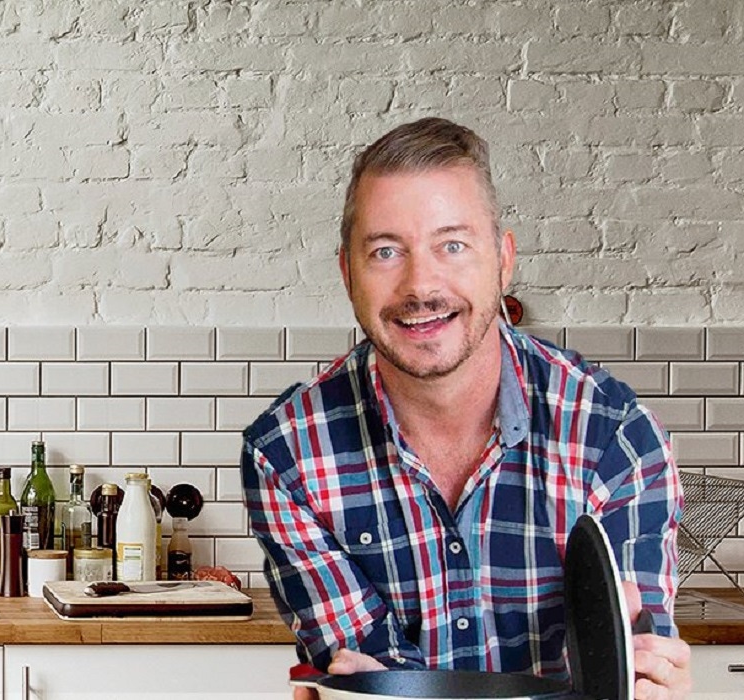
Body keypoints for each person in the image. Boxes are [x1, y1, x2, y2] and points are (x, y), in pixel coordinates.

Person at [240, 117, 692, 700]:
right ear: (347, 272)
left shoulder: (615, 436)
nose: (420, 284)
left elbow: (624, 677)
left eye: (452, 245)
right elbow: (379, 684)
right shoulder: (288, 454)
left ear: (503, 260)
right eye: (384, 251)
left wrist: (654, 680)